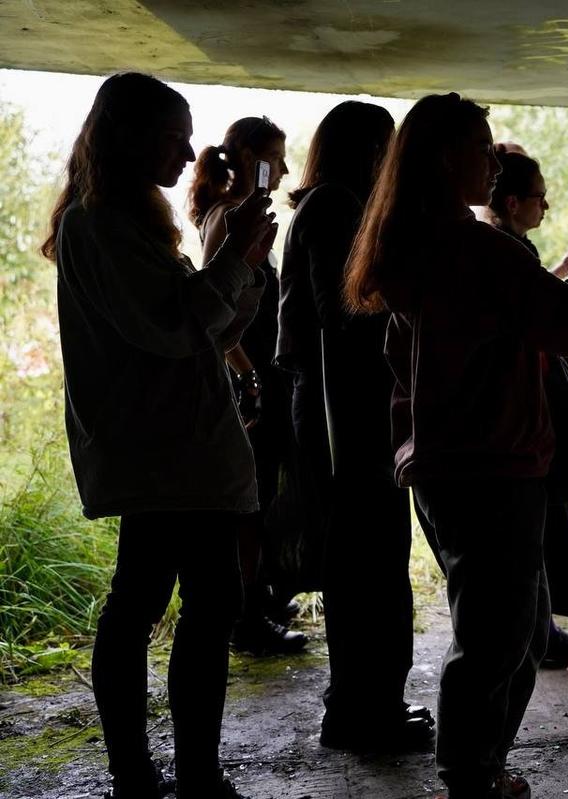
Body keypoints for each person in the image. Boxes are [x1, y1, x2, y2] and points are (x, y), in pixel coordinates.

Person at [343, 92, 568, 799]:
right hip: (493, 466)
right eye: (480, 147)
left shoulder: (411, 245)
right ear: (446, 158)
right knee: (497, 638)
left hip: (444, 466)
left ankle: (479, 770)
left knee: (510, 630)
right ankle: (470, 778)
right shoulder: (475, 249)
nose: (492, 164)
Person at [44, 72, 276, 799]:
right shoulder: (99, 226)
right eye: (174, 137)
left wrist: (245, 261)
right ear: (129, 137)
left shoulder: (129, 223)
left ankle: (162, 774)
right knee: (172, 606)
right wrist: (233, 256)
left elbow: (208, 329)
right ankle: (159, 776)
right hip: (164, 453)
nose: (187, 153)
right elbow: (178, 327)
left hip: (175, 450)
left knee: (175, 603)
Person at [274, 100, 435, 751]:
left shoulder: (327, 206)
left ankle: (365, 703)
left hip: (343, 411)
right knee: (370, 565)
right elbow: (347, 311)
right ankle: (364, 710)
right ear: (369, 153)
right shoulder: (336, 208)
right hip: (348, 417)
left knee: (366, 562)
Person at [482, 146, 568, 668]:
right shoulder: (504, 251)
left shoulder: (506, 247)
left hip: (522, 419)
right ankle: (536, 635)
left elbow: (549, 310)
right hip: (522, 421)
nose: (546, 205)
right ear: (514, 202)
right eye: (540, 196)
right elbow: (558, 321)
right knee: (532, 533)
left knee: (536, 532)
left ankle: (540, 631)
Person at [189, 116, 308, 656]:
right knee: (251, 501)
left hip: (260, 374)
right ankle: (247, 616)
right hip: (251, 378)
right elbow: (217, 309)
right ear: (253, 162)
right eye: (276, 159)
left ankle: (259, 598)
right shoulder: (230, 217)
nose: (283, 170)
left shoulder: (243, 215)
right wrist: (249, 375)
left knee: (262, 494)